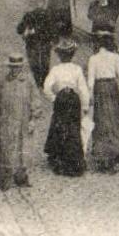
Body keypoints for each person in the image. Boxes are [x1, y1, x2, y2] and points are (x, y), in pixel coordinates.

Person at [43, 39, 89, 177]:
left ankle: (59, 159)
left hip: (61, 100)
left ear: (59, 56)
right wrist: (85, 105)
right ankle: (74, 161)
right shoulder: (77, 69)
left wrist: (54, 98)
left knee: (59, 126)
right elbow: (83, 89)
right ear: (72, 55)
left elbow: (46, 87)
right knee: (73, 128)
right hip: (73, 100)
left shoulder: (56, 70)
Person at [86, 31, 119, 173]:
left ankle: (101, 154)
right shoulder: (115, 57)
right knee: (113, 120)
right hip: (112, 88)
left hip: (100, 88)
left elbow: (90, 80)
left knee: (101, 120)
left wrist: (91, 95)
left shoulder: (93, 59)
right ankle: (115, 152)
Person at [0, 53, 36, 190]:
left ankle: (21, 177)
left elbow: (35, 100)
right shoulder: (3, 81)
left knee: (23, 150)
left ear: (21, 67)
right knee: (6, 148)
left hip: (24, 120)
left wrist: (33, 119)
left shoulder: (28, 81)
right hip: (8, 121)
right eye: (12, 67)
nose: (15, 70)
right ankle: (5, 179)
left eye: (17, 67)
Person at [16, 4, 55, 89]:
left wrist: (29, 31)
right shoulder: (48, 16)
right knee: (42, 64)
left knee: (36, 64)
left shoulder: (29, 15)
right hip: (41, 45)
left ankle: (40, 83)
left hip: (34, 45)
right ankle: (42, 83)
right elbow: (53, 35)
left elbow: (19, 29)